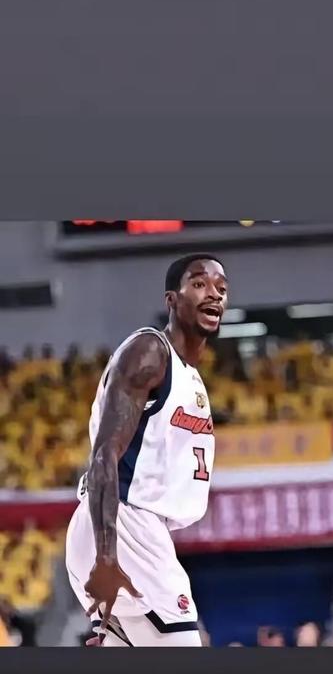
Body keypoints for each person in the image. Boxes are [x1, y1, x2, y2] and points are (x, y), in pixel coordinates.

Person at [65, 254, 228, 647]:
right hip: (123, 523)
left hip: (129, 527)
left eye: (221, 289)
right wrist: (107, 556)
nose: (214, 295)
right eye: (199, 284)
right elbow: (103, 455)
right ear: (172, 299)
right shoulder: (150, 351)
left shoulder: (189, 375)